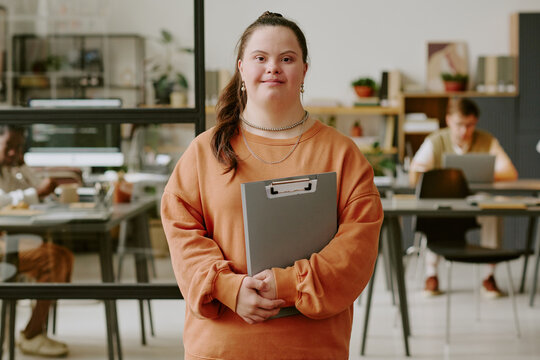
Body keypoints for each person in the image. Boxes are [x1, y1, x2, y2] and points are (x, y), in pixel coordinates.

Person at [161, 11, 382, 359]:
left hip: (311, 347)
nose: (273, 67)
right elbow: (181, 232)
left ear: (304, 70)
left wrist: (288, 285)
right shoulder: (205, 151)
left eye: (287, 59)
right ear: (241, 69)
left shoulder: (342, 154)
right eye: (260, 57)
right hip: (220, 347)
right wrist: (228, 287)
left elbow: (357, 250)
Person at [409, 98, 518, 297]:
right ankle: (431, 274)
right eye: (460, 125)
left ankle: (489, 277)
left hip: (476, 201)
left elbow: (510, 172)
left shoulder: (486, 140)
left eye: (470, 125)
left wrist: (479, 174)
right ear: (449, 120)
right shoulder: (436, 140)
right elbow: (415, 170)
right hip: (445, 202)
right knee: (434, 210)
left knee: (493, 210)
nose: (464, 131)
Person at [0, 125, 73, 357]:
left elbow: (35, 190)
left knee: (62, 256)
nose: (14, 153)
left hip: (8, 239)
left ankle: (34, 331)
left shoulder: (9, 170)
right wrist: (37, 192)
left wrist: (22, 166)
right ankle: (32, 335)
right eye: (9, 146)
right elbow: (5, 202)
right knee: (51, 260)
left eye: (19, 147)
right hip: (4, 243)